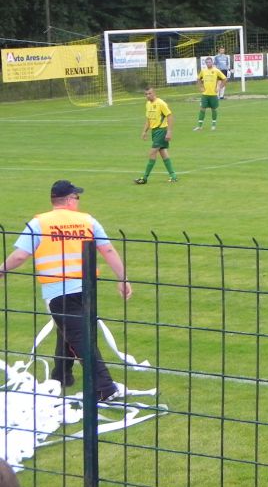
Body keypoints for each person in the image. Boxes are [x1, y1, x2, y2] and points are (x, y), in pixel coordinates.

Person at [0, 181, 132, 402]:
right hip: (87, 288)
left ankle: (103, 387)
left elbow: (21, 255)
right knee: (71, 331)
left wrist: (2, 268)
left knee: (76, 334)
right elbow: (107, 249)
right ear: (70, 199)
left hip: (58, 291)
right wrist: (123, 278)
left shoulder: (39, 223)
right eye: (77, 197)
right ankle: (65, 375)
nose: (78, 201)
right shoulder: (87, 220)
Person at [135, 87, 177, 184]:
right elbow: (148, 120)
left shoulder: (161, 103)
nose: (147, 96)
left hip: (161, 130)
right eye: (146, 94)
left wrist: (169, 132)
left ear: (154, 93)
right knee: (163, 153)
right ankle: (173, 176)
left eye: (149, 93)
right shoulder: (148, 104)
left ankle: (144, 178)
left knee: (152, 153)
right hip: (154, 131)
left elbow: (170, 116)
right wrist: (144, 131)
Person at [194, 57, 226, 131]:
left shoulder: (216, 71)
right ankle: (199, 126)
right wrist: (200, 87)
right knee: (202, 109)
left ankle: (213, 125)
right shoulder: (203, 71)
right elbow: (198, 79)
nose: (208, 63)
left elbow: (224, 79)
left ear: (212, 62)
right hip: (205, 94)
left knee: (214, 109)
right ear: (206, 63)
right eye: (207, 62)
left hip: (213, 94)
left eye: (210, 62)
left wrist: (219, 87)